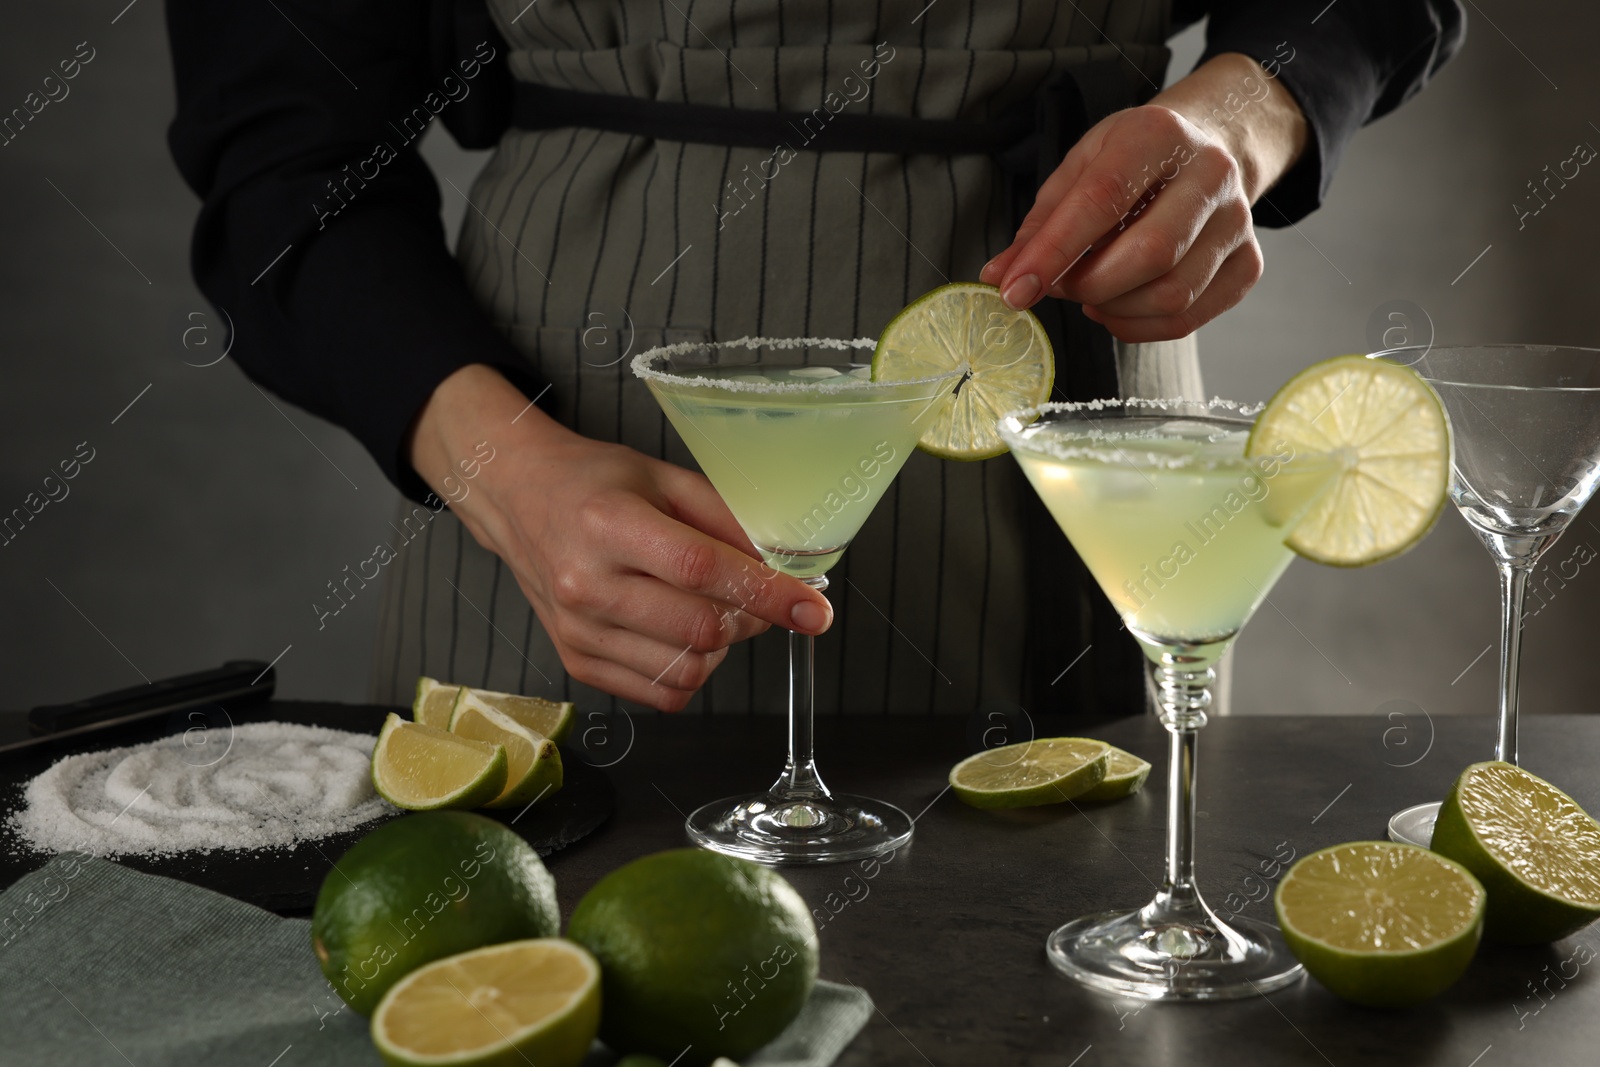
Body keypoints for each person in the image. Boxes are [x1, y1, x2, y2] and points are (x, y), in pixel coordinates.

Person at [166, 0, 1463, 720]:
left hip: (1066, 404)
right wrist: (510, 476)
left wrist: (1240, 118)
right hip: (554, 477)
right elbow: (285, 166)